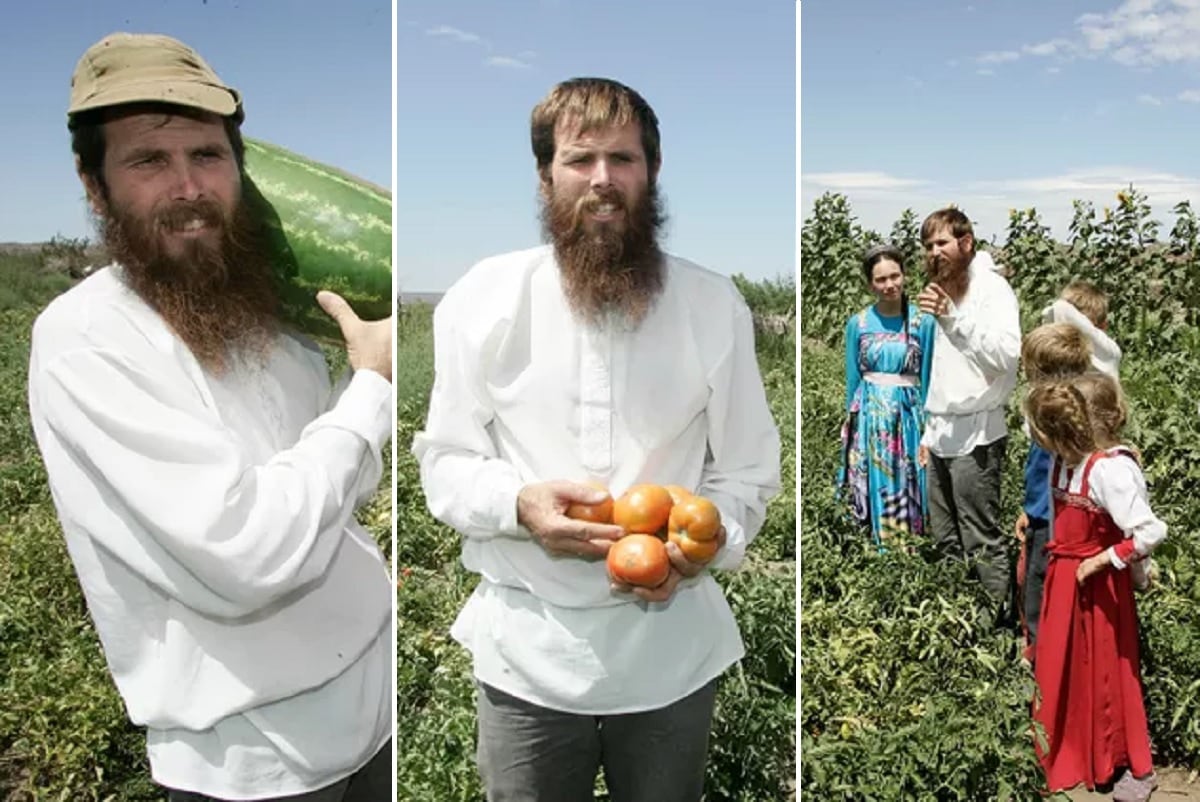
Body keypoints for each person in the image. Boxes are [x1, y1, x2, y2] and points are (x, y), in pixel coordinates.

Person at [27, 32, 392, 801]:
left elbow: (344, 494)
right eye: (149, 161)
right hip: (254, 767)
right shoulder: (85, 340)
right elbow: (247, 558)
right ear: (94, 186)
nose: (189, 186)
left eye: (209, 155)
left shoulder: (269, 318)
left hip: (373, 720)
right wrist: (370, 387)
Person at [411, 77, 781, 802]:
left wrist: (703, 543)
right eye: (581, 159)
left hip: (670, 658)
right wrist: (519, 504)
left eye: (624, 159)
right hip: (527, 657)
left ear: (653, 173)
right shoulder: (483, 300)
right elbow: (446, 461)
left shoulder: (712, 305)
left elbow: (748, 470)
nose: (604, 179)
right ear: (545, 175)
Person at [1025, 372, 1164, 802]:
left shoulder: (1109, 471)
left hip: (1097, 587)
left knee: (1105, 671)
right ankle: (1065, 747)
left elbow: (1149, 532)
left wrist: (1105, 560)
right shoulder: (1067, 461)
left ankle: (1120, 759)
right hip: (1064, 580)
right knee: (1061, 664)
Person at [916, 208, 1021, 613]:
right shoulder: (947, 291)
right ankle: (957, 621)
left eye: (942, 243)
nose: (934, 252)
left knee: (980, 535)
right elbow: (944, 374)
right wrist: (928, 433)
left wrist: (954, 320)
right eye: (928, 246)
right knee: (944, 537)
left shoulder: (991, 290)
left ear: (966, 242)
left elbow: (1006, 357)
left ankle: (995, 626)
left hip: (977, 434)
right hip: (941, 433)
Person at [1016, 282, 1123, 659]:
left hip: (1062, 522)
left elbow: (1062, 312)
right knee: (1031, 583)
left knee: (1044, 592)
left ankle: (1046, 662)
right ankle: (1040, 654)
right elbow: (1037, 471)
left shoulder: (1082, 406)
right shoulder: (1051, 406)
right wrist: (1027, 511)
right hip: (1041, 513)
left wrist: (1072, 323)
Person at [837, 243, 936, 546]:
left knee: (908, 479)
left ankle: (908, 551)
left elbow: (930, 377)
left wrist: (930, 429)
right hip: (869, 415)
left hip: (908, 415)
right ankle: (871, 547)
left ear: (905, 276)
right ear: (870, 284)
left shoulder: (923, 322)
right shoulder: (860, 323)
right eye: (881, 279)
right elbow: (853, 378)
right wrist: (850, 424)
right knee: (869, 479)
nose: (889, 285)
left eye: (895, 276)